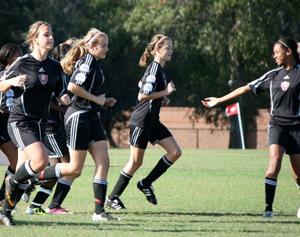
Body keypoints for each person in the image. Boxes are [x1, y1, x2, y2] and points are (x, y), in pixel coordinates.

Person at [202, 37, 300, 218]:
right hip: (277, 126)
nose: (274, 56)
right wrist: (219, 100)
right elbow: (244, 88)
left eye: (277, 52)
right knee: (274, 164)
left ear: (289, 52)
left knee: (298, 175)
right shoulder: (272, 75)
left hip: (298, 128)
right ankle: (268, 209)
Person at [37, 28, 119, 222]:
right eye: (104, 45)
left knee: (103, 162)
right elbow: (74, 87)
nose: (107, 49)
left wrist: (103, 101)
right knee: (74, 168)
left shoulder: (96, 63)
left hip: (92, 117)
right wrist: (97, 100)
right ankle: (34, 175)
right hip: (79, 118)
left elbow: (86, 91)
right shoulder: (87, 62)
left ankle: (99, 212)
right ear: (92, 46)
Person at [0, 21, 70, 226]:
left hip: (40, 123)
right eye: (46, 34)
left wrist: (64, 99)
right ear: (34, 39)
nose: (50, 38)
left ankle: (5, 212)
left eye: (51, 34)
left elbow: (60, 93)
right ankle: (13, 181)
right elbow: (1, 84)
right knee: (40, 161)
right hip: (20, 121)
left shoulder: (55, 67)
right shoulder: (22, 62)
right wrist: (12, 82)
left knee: (23, 169)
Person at [106, 34, 181, 210]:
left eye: (171, 48)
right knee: (135, 162)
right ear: (157, 50)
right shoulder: (155, 69)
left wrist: (161, 98)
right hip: (142, 121)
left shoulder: (159, 70)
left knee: (175, 152)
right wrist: (165, 93)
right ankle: (112, 197)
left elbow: (142, 84)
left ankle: (146, 183)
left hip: (153, 121)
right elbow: (142, 95)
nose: (171, 51)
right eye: (167, 48)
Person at [23, 39, 77, 215]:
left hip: (57, 125)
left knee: (57, 172)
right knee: (69, 166)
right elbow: (49, 100)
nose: (76, 59)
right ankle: (29, 180)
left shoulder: (62, 72)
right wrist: (63, 108)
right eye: (74, 55)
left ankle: (34, 206)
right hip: (51, 127)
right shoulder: (53, 71)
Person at [0, 43, 23, 207]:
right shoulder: (3, 74)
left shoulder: (20, 75)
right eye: (18, 55)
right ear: (9, 56)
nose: (20, 58)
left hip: (6, 122)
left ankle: (3, 196)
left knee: (16, 161)